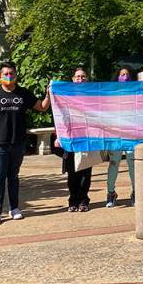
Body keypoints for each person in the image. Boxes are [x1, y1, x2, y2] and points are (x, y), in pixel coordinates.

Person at [0, 61, 51, 225]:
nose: (9, 76)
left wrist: (49, 95)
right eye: (5, 74)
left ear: (16, 76)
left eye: (11, 73)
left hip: (17, 143)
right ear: (0, 77)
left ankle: (14, 208)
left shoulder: (23, 93)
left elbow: (41, 107)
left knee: (13, 177)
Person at [53, 66, 93, 212]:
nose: (80, 79)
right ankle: (73, 200)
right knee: (72, 172)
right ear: (72, 79)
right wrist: (59, 135)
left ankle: (83, 200)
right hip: (70, 138)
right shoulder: (65, 95)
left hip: (87, 138)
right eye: (77, 77)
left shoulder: (92, 96)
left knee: (85, 171)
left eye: (83, 77)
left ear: (87, 79)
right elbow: (58, 115)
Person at [106, 66, 137, 207]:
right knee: (114, 162)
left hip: (131, 132)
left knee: (132, 162)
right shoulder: (112, 93)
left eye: (127, 74)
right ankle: (110, 192)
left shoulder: (136, 93)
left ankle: (136, 191)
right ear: (117, 77)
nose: (125, 77)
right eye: (122, 74)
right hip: (115, 133)